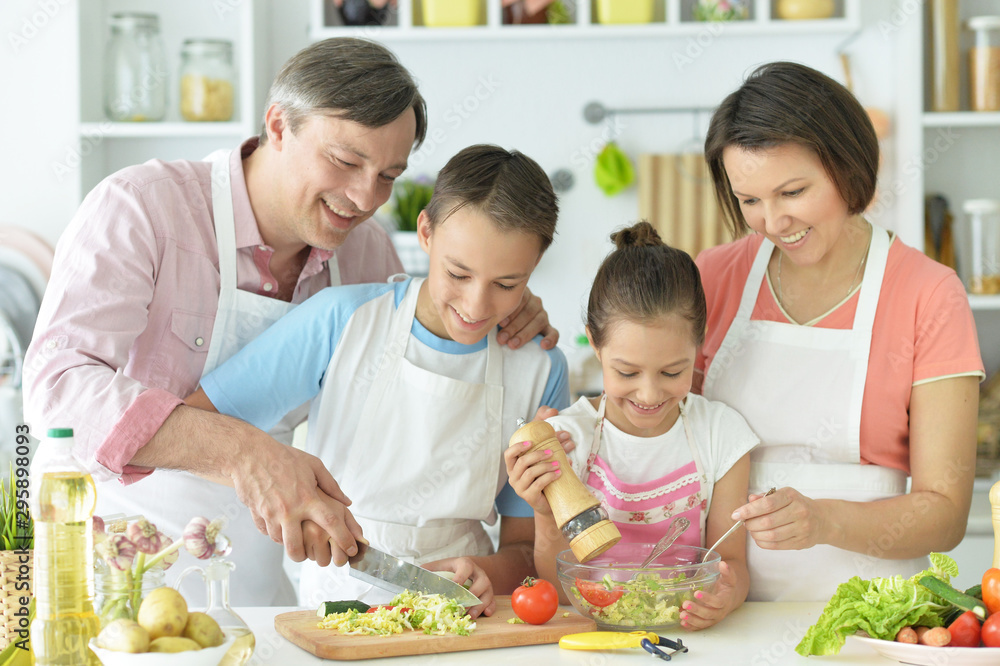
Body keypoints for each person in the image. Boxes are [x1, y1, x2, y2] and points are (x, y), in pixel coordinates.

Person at [22, 38, 558, 607]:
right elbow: (57, 390)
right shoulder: (143, 208)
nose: (364, 197)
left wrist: (504, 305)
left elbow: (428, 339)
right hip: (111, 560)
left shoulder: (365, 253)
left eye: (388, 175)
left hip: (246, 578)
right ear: (278, 125)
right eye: (347, 162)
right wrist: (245, 452)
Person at [184, 144, 569, 617]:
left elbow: (528, 552)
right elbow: (196, 422)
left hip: (465, 621)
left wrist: (485, 571)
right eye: (458, 273)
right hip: (338, 607)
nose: (475, 306)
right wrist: (279, 486)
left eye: (507, 284)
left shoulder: (541, 370)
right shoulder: (340, 320)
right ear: (425, 231)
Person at [695, 62, 984, 601]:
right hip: (724, 608)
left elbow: (944, 511)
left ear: (846, 167)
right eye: (750, 200)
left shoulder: (928, 294)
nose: (774, 222)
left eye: (794, 191)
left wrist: (824, 522)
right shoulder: (712, 277)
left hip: (874, 616)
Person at [505, 221, 757, 630]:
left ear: (699, 343)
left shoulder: (722, 435)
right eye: (626, 372)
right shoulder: (570, 440)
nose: (649, 393)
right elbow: (556, 586)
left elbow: (732, 564)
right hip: (592, 642)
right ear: (595, 344)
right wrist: (546, 514)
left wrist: (726, 596)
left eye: (673, 371)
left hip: (690, 640)